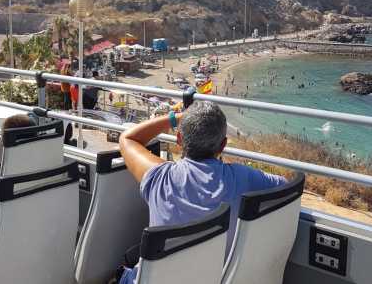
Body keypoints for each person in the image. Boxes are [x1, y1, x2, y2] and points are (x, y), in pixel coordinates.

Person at [117, 101, 287, 283]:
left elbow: (128, 139)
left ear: (180, 139)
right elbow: (284, 185)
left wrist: (176, 118)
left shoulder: (160, 177)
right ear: (223, 145)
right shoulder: (242, 178)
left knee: (126, 264)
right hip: (212, 279)